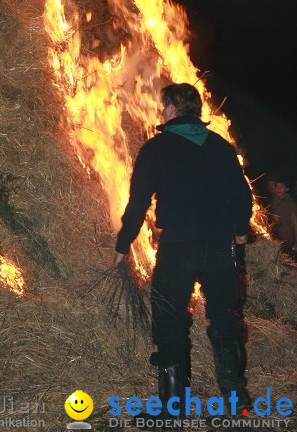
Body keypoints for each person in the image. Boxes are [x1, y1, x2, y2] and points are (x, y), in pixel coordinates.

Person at [114, 83, 253, 417]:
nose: (162, 111)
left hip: (178, 248)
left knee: (170, 323)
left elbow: (137, 204)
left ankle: (173, 410)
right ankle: (237, 403)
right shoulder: (220, 146)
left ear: (173, 109)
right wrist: (240, 230)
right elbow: (242, 195)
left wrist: (123, 246)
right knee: (224, 320)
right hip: (219, 247)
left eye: (164, 107)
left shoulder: (156, 148)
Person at [268, 176, 297, 261]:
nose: (279, 189)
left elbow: (296, 224)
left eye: (282, 187)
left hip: (288, 240)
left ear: (287, 189)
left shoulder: (291, 205)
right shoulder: (273, 201)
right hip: (275, 239)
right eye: (277, 187)